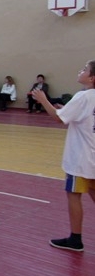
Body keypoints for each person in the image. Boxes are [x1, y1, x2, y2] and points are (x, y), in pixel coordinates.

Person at [31, 60, 95, 252]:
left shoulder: (83, 96)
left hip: (81, 158)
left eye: (85, 69)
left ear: (92, 78)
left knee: (74, 194)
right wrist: (64, 108)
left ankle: (75, 239)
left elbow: (59, 118)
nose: (80, 70)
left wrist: (44, 100)